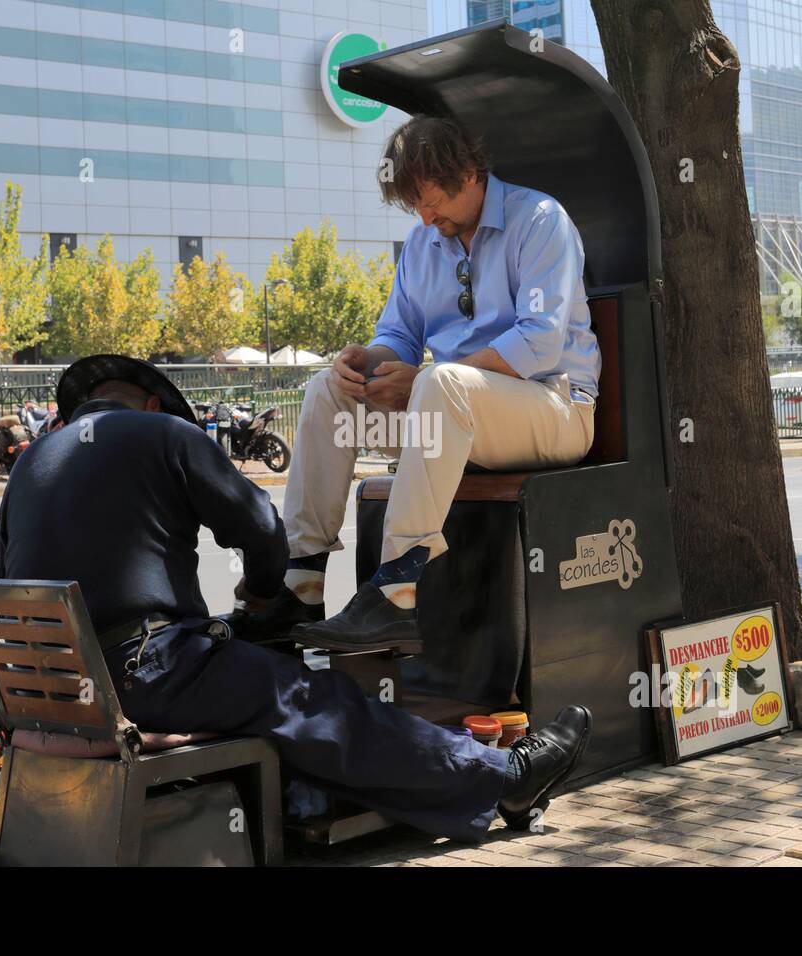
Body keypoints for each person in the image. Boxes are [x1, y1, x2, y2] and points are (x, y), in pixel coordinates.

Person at [0, 354, 592, 842]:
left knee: (255, 684)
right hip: (145, 675)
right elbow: (263, 531)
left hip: (42, 690)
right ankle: (500, 777)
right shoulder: (164, 433)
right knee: (315, 702)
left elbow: (11, 587)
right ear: (153, 404)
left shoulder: (28, 466)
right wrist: (261, 595)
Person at [227, 115, 601, 653]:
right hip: (452, 414)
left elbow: (539, 343)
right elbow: (398, 335)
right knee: (326, 391)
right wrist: (365, 361)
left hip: (556, 409)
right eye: (414, 207)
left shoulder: (540, 219)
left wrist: (423, 379)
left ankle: (395, 593)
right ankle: (300, 584)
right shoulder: (424, 241)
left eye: (431, 201)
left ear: (469, 172)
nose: (426, 219)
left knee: (442, 383)